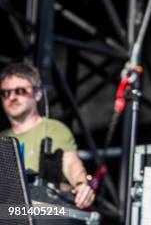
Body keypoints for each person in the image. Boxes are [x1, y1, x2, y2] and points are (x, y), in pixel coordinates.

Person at [0, 62, 95, 209]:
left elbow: (70, 164)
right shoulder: (2, 137)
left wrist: (81, 185)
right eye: (5, 93)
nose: (12, 97)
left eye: (20, 91)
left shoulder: (54, 129)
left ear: (37, 94)